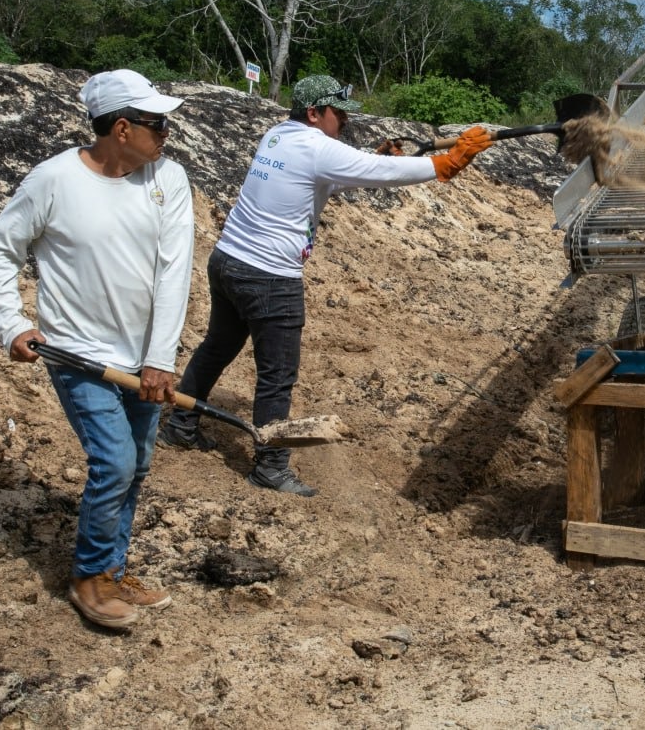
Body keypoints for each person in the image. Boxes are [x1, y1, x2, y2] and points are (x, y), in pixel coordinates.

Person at [158, 74, 492, 496]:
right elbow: (376, 171)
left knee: (217, 347)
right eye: (338, 113)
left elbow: (335, 175)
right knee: (277, 376)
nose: (345, 120)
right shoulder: (317, 147)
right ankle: (270, 466)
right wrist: (446, 163)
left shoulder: (279, 136)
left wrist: (374, 157)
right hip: (269, 277)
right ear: (314, 113)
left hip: (229, 262)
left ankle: (181, 426)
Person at [0, 69, 193, 629]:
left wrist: (160, 358)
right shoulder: (52, 181)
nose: (166, 132)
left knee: (139, 463)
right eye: (157, 123)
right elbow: (1, 249)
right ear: (121, 128)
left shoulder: (168, 178)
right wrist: (11, 323)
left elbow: (175, 272)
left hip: (144, 354)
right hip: (75, 353)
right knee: (115, 461)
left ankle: (113, 570)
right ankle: (88, 576)